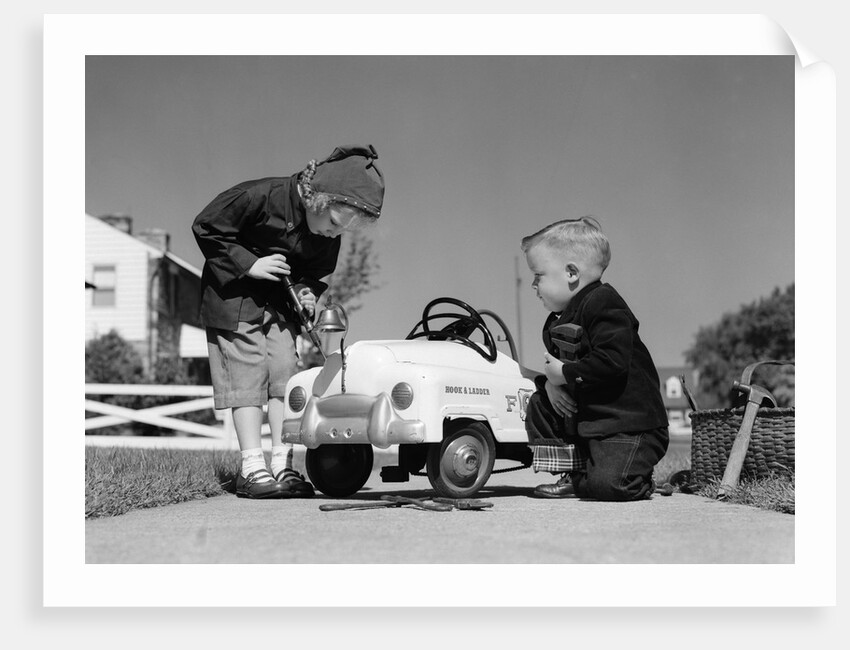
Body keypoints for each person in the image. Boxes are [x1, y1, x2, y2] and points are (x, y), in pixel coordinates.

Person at [192, 145, 384, 499]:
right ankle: (252, 468)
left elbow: (316, 273)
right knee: (247, 372)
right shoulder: (259, 196)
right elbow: (207, 227)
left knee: (286, 373)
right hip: (233, 297)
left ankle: (283, 465)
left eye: (341, 231)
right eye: (332, 224)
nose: (332, 234)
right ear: (317, 200)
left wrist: (308, 293)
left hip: (280, 304)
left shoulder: (327, 234)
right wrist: (250, 264)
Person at [520, 216, 669, 501]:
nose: (533, 285)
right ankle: (573, 472)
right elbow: (558, 372)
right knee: (540, 402)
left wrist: (564, 373)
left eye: (538, 275)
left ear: (571, 273)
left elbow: (612, 361)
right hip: (591, 423)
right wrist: (552, 386)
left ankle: (636, 478)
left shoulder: (603, 302)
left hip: (629, 425)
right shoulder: (555, 323)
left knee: (608, 487)